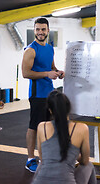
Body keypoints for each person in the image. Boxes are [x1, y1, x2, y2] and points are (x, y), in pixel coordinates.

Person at [22, 17, 65, 172]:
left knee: (49, 125)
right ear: (34, 30)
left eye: (43, 29)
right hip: (37, 94)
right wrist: (47, 74)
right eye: (37, 29)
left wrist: (58, 72)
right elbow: (26, 73)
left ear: (48, 30)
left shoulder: (50, 47)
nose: (40, 32)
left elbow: (51, 66)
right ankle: (30, 159)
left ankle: (46, 157)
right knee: (34, 126)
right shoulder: (31, 50)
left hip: (50, 93)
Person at [32, 91, 96, 184]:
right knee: (89, 166)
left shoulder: (42, 127)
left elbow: (43, 159)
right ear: (69, 108)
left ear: (50, 110)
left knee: (42, 164)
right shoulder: (82, 128)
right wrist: (74, 154)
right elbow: (85, 161)